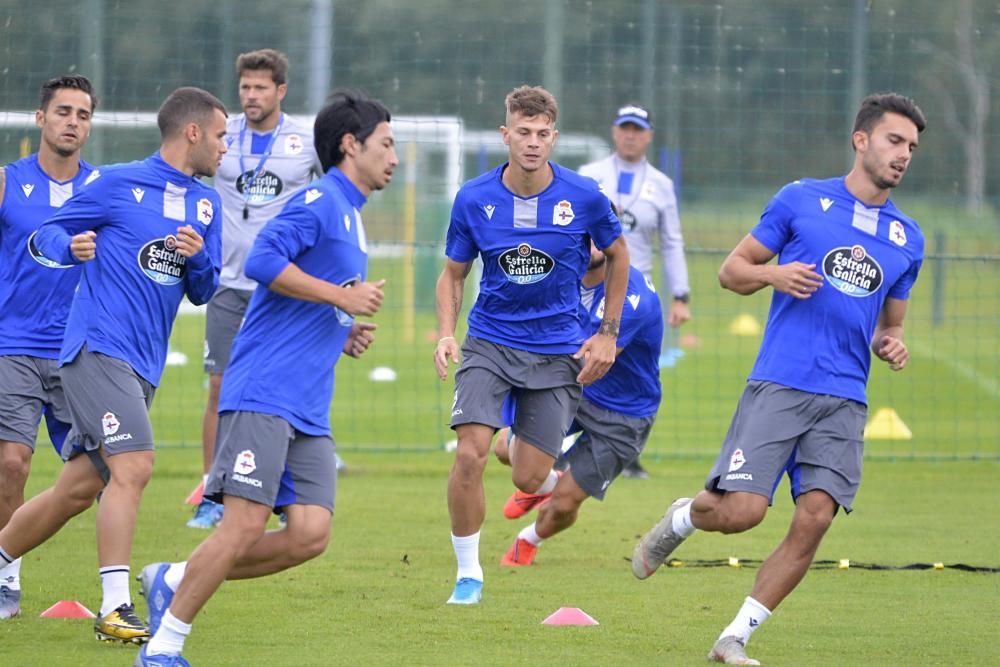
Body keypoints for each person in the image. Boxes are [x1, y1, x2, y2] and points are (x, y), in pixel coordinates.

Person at [630, 93, 926, 666]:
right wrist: (774, 273)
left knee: (815, 519)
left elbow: (890, 325)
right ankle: (685, 516)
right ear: (860, 139)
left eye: (912, 147)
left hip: (846, 399)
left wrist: (892, 344)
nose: (904, 155)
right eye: (895, 141)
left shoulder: (907, 238)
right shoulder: (801, 199)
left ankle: (733, 637)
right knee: (742, 513)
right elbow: (730, 271)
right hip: (782, 383)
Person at [135, 90, 396, 667]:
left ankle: (175, 577)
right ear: (351, 146)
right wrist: (341, 296)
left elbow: (309, 291)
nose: (394, 157)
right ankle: (163, 647)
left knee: (309, 535)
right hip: (265, 391)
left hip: (307, 403)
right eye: (386, 144)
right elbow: (261, 262)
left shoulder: (351, 215)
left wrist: (339, 324)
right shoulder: (320, 201)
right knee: (244, 525)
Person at [0, 86, 226, 644]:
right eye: (221, 135)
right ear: (192, 132)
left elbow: (204, 290)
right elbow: (47, 231)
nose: (226, 148)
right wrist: (67, 247)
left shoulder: (207, 204)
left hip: (142, 363)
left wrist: (198, 259)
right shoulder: (119, 183)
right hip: (97, 348)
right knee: (136, 465)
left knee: (76, 490)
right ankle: (115, 607)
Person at [434, 85, 630, 605]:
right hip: (489, 344)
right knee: (468, 454)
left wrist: (606, 334)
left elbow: (619, 255)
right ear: (506, 134)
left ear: (553, 137)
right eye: (523, 132)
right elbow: (453, 274)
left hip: (556, 350)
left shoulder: (584, 195)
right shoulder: (474, 198)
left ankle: (516, 446)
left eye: (543, 134)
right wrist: (447, 334)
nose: (533, 143)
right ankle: (468, 573)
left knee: (528, 476)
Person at [190, 48, 324, 530]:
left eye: (260, 87)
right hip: (228, 283)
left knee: (283, 391)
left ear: (280, 91)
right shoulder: (222, 137)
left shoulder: (304, 142)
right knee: (220, 386)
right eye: (245, 86)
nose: (250, 95)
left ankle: (285, 495)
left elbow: (327, 200)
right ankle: (212, 491)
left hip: (283, 290)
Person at [495, 241, 663, 566]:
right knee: (504, 448)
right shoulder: (559, 278)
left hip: (623, 414)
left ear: (616, 240)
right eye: (586, 233)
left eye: (600, 235)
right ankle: (546, 480)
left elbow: (585, 363)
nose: (591, 244)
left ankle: (528, 540)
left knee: (562, 505)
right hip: (575, 392)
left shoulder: (632, 299)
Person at [0, 74, 97, 620]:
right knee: (11, 462)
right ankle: (5, 579)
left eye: (83, 114)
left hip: (78, 352)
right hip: (12, 343)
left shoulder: (104, 189)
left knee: (95, 477)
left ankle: (116, 597)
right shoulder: (7, 182)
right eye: (63, 111)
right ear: (41, 119)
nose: (72, 122)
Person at [579, 103, 692, 480]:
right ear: (614, 132)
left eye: (638, 129)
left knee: (632, 368)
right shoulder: (589, 175)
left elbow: (671, 241)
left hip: (637, 297)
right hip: (591, 284)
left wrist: (681, 294)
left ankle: (625, 450)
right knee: (580, 358)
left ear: (648, 136)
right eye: (624, 127)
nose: (630, 135)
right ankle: (568, 439)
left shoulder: (662, 185)